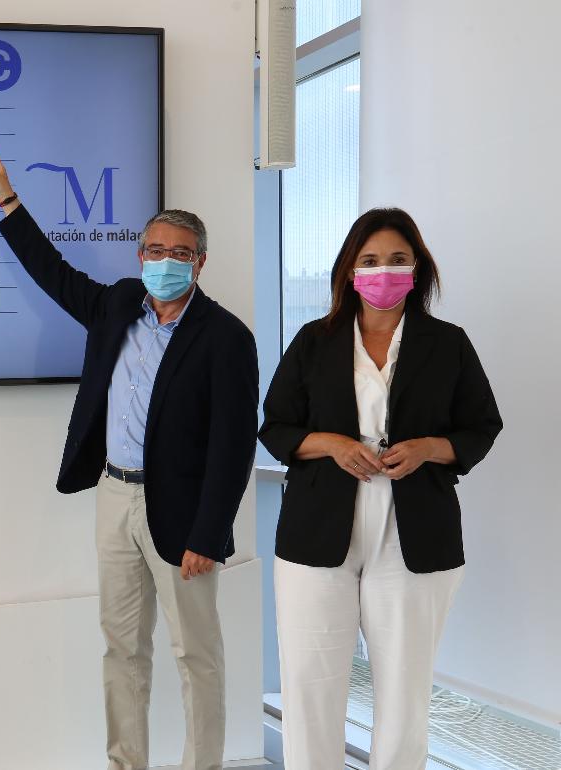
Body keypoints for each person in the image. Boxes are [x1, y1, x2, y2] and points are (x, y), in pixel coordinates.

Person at [0, 146, 258, 770]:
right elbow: (55, 275)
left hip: (182, 511)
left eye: (179, 253)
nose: (165, 261)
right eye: (155, 250)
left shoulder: (226, 338)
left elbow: (234, 446)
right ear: (140, 256)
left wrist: (209, 535)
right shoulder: (118, 306)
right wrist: (10, 202)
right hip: (114, 496)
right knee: (122, 647)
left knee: (195, 654)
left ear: (200, 262)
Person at [259, 208, 502, 769]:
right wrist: (331, 444)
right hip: (317, 529)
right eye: (369, 260)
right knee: (309, 682)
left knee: (403, 689)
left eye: (397, 259)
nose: (382, 271)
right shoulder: (314, 341)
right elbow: (276, 427)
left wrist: (428, 448)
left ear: (417, 269)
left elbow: (481, 426)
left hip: (414, 530)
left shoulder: (448, 343)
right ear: (350, 271)